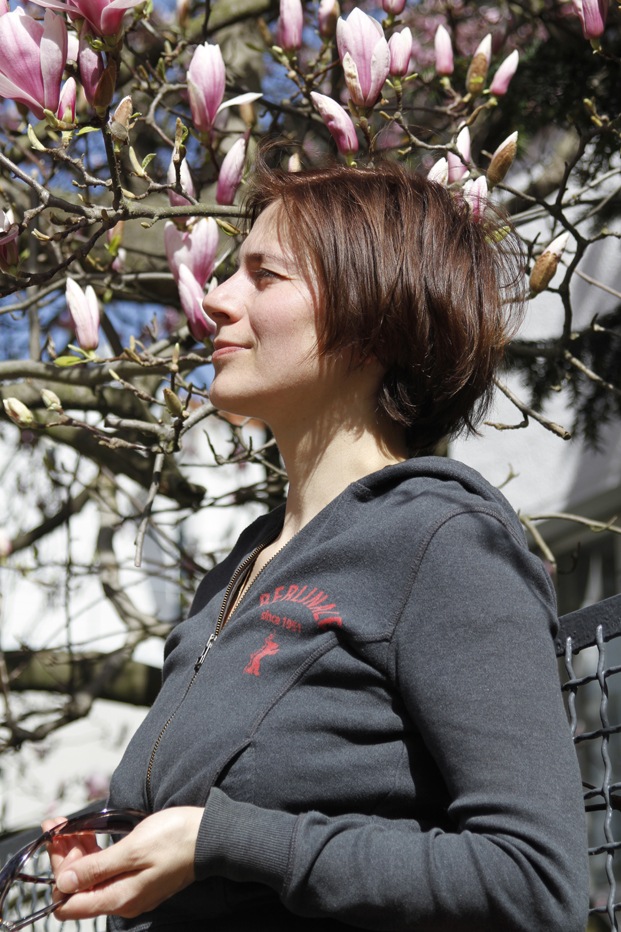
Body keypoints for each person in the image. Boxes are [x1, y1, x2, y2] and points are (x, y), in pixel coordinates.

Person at [47, 157, 590, 931]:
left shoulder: (439, 542)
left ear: (373, 322)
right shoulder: (234, 574)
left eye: (264, 277)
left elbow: (535, 883)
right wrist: (121, 859)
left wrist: (227, 840)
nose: (214, 298)